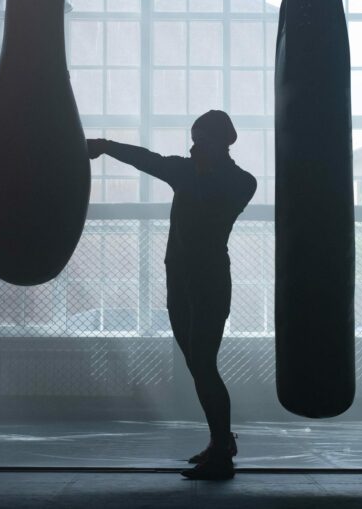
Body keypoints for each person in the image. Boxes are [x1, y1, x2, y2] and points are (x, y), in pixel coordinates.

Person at [87, 110, 256, 481]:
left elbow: (213, 207)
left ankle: (222, 451)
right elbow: (146, 159)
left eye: (202, 140)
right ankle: (220, 442)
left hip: (209, 281)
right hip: (179, 279)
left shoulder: (242, 182)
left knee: (204, 363)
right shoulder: (186, 172)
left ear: (223, 142)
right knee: (197, 365)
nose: (194, 146)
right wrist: (105, 146)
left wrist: (197, 173)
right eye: (194, 139)